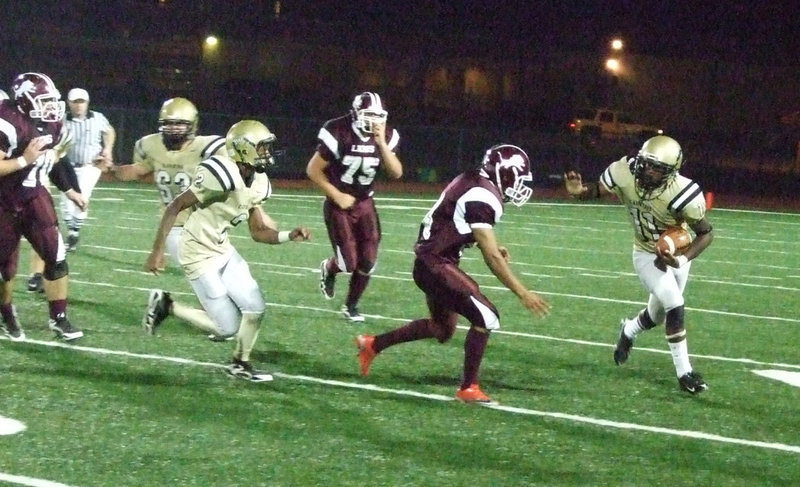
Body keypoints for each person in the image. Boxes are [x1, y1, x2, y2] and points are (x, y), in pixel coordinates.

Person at [355, 144, 551, 403]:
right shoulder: (483, 194)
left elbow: (454, 220)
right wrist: (522, 292)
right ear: (505, 172)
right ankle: (468, 388)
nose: (520, 184)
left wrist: (488, 243)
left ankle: (372, 344)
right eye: (519, 177)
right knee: (487, 317)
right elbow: (491, 257)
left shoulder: (474, 180)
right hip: (435, 264)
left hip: (431, 262)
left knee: (442, 329)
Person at [143, 120, 311, 381]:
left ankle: (240, 363)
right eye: (262, 147)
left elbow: (258, 232)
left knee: (255, 307)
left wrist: (288, 235)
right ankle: (168, 306)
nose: (267, 153)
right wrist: (157, 251)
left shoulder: (259, 182)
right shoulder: (221, 173)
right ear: (244, 148)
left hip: (222, 249)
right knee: (227, 327)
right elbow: (175, 206)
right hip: (197, 254)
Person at [564, 135, 714, 394]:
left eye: (657, 168)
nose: (647, 171)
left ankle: (629, 330)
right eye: (646, 164)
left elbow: (706, 234)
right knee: (675, 304)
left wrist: (680, 259)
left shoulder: (683, 192)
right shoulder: (624, 171)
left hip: (675, 253)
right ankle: (685, 373)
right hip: (645, 254)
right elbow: (598, 190)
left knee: (657, 315)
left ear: (671, 172)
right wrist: (579, 192)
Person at [0, 72, 86, 341]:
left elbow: (54, 159)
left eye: (51, 100)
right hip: (3, 201)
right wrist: (24, 160)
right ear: (24, 100)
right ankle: (5, 312)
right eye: (44, 100)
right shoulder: (6, 122)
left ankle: (59, 317)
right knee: (5, 270)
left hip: (34, 196)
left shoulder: (52, 124)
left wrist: (69, 190)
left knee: (56, 256)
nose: (50, 106)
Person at [306, 91, 403, 322]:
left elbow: (397, 173)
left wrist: (382, 144)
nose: (375, 121)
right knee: (348, 263)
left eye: (378, 116)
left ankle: (351, 305)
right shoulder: (338, 130)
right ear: (356, 114)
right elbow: (313, 170)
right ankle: (330, 268)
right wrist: (337, 195)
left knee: (368, 260)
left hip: (365, 202)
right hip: (339, 204)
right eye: (369, 115)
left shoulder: (387, 135)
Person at [110, 97, 225, 267]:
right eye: (168, 124)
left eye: (179, 125)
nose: (173, 130)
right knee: (209, 274)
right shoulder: (152, 146)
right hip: (178, 228)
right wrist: (111, 169)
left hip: (208, 226)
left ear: (192, 125)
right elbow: (136, 171)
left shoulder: (207, 147)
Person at [60, 87, 116, 252]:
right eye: (75, 102)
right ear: (69, 103)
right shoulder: (61, 120)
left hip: (90, 166)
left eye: (81, 102)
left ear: (87, 103)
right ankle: (73, 231)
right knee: (66, 204)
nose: (79, 105)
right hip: (67, 165)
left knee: (82, 196)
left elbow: (109, 131)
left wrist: (107, 149)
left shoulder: (97, 118)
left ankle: (73, 234)